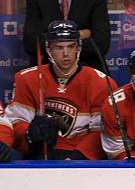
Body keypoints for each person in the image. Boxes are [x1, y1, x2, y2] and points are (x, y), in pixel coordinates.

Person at [5, 20, 114, 160]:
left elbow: (101, 131)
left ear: (78, 48)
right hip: (39, 155)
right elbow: (15, 122)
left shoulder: (101, 82)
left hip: (81, 159)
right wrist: (30, 135)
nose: (66, 53)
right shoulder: (26, 79)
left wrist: (76, 159)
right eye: (59, 47)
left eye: (70, 46)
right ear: (49, 49)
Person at [23, 0, 111, 72]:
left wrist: (53, 39)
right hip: (47, 70)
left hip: (88, 67)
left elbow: (101, 44)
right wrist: (81, 34)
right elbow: (32, 44)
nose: (65, 52)